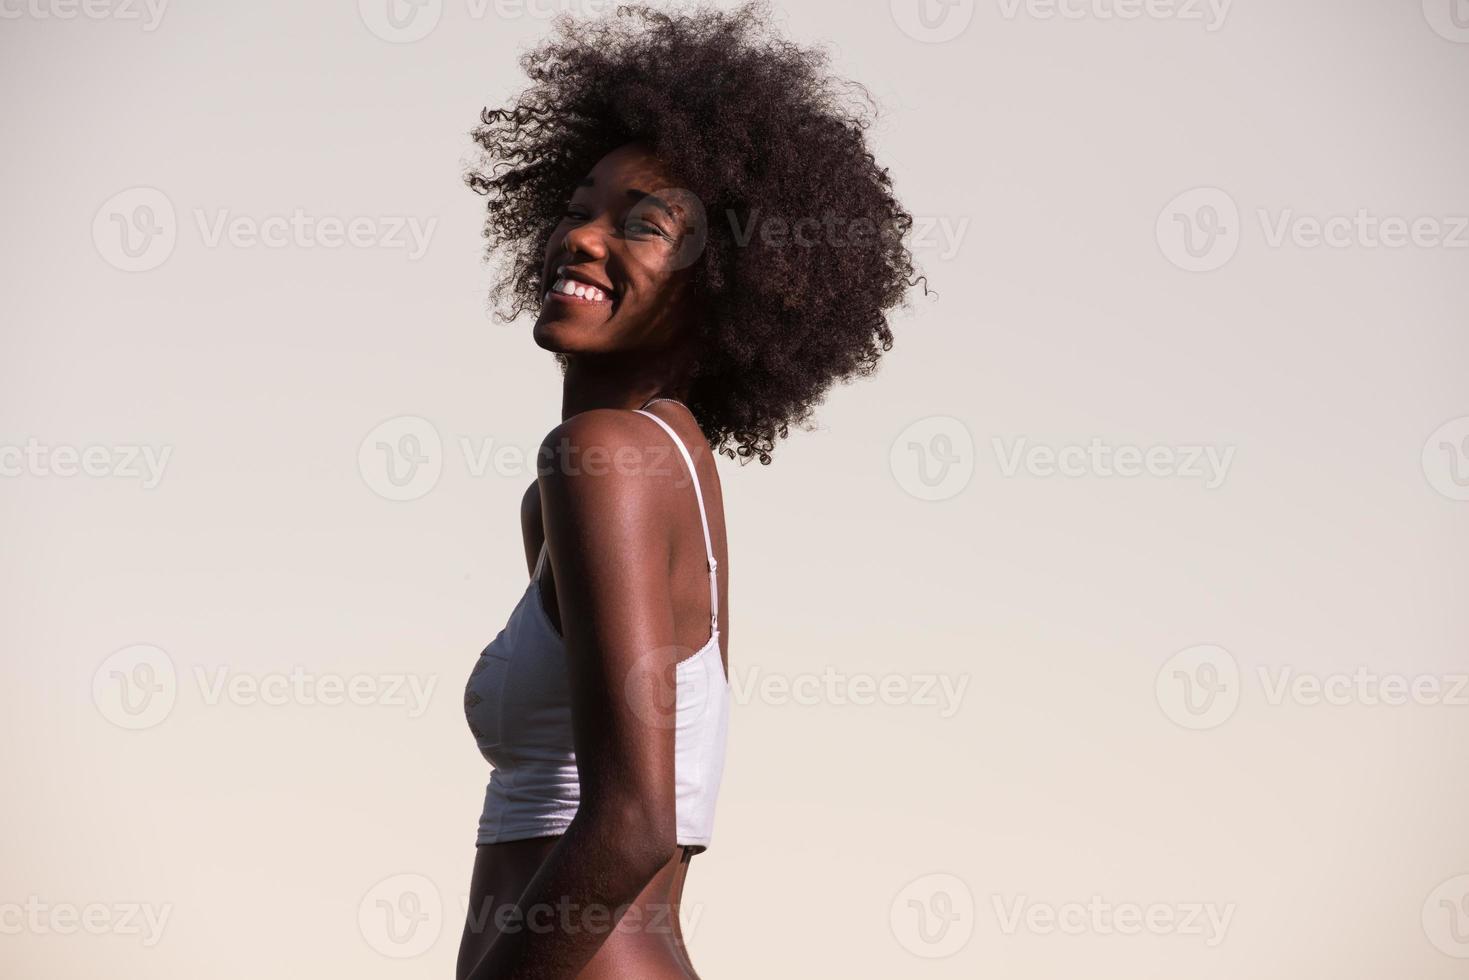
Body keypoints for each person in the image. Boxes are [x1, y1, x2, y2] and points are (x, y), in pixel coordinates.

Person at [458, 4, 919, 976]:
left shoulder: (608, 458)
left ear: (725, 283)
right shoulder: (658, 463)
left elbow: (631, 823)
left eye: (643, 225)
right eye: (579, 205)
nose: (581, 237)